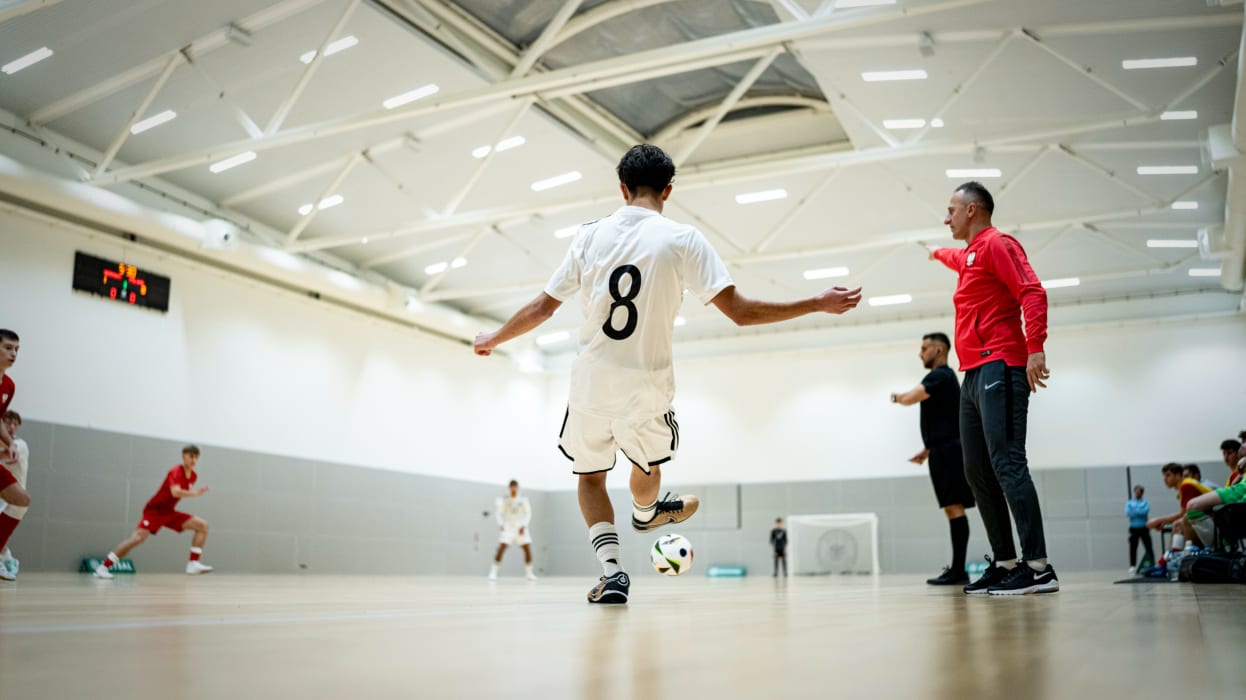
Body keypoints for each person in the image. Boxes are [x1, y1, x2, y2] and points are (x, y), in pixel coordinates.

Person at [473, 144, 862, 604]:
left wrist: (494, 338)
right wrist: (815, 303)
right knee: (648, 466)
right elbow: (740, 312)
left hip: (591, 381)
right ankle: (645, 510)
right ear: (668, 191)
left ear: (622, 189)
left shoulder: (589, 236)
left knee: (591, 477)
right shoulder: (683, 239)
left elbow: (542, 307)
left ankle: (613, 572)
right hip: (647, 384)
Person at [928, 182, 1057, 595]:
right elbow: (957, 257)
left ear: (972, 210)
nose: (945, 218)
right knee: (976, 470)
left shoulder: (998, 244)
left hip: (1001, 363)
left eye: (951, 210)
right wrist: (933, 252)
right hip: (973, 373)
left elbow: (1032, 291)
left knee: (1007, 464)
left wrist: (1035, 347)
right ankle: (1004, 562)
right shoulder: (969, 254)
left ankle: (1038, 567)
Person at [890, 331, 975, 586]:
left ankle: (959, 570)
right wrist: (928, 449)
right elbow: (947, 419)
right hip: (943, 449)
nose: (920, 353)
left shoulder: (940, 375)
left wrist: (895, 397)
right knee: (952, 508)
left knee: (954, 506)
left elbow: (910, 398)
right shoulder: (946, 379)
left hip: (948, 451)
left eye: (924, 348)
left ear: (939, 350)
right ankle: (958, 569)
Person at [94, 445, 213, 578]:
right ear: (183, 456)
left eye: (197, 457)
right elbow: (175, 492)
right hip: (155, 510)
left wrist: (193, 493)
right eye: (191, 456)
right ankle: (103, 567)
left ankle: (193, 564)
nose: (194, 460)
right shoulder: (175, 471)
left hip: (168, 512)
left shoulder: (193, 476)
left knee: (202, 525)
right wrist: (196, 493)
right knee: (137, 539)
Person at [0, 329, 28, 567]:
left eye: (17, 350)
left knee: (20, 499)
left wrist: (9, 443)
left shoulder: (9, 385)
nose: (13, 353)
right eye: (8, 348)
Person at [1146, 463, 1210, 549]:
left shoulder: (1186, 485)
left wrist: (1160, 520)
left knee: (1180, 523)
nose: (1165, 479)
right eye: (1164, 476)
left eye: (1168, 475)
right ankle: (1175, 555)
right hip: (1205, 519)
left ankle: (1182, 554)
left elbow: (1184, 514)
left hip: (1212, 520)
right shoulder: (1183, 487)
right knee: (1179, 523)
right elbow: (1183, 513)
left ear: (1178, 475)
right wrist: (1164, 521)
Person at [0, 410, 29, 580]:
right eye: (7, 422)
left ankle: (6, 557)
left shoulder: (21, 444)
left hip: (14, 501)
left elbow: (7, 455)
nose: (11, 427)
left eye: (15, 424)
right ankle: (8, 558)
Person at [489, 479, 537, 581]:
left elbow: (528, 513)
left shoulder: (523, 499)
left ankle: (529, 573)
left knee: (527, 548)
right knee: (501, 547)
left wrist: (524, 525)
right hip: (508, 526)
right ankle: (493, 572)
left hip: (520, 527)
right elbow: (498, 513)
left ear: (518, 488)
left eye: (515, 487)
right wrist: (501, 524)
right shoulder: (505, 500)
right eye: (512, 487)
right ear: (509, 488)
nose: (513, 489)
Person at [1125, 485, 1153, 572]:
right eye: (1136, 491)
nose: (1137, 493)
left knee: (1148, 546)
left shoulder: (1145, 503)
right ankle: (1132, 565)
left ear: (1142, 493)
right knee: (1133, 547)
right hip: (1134, 528)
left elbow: (1144, 512)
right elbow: (1128, 513)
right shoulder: (1129, 503)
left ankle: (1152, 563)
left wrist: (1135, 511)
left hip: (1144, 527)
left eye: (1139, 491)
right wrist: (1138, 511)